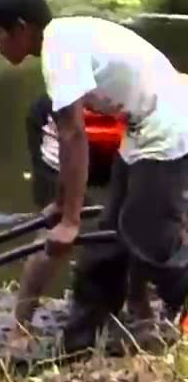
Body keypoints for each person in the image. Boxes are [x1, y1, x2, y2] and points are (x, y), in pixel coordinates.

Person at [0, 0, 188, 352]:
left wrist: (70, 221)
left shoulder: (58, 53)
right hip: (142, 124)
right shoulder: (62, 40)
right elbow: (69, 142)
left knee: (148, 234)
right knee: (111, 237)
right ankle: (81, 342)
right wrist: (63, 204)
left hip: (167, 121)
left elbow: (74, 136)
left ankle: (176, 307)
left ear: (22, 28)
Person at [10, 91, 130, 343]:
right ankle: (20, 327)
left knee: (140, 217)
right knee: (57, 229)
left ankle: (140, 309)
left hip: (125, 138)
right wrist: (68, 214)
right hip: (67, 126)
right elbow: (71, 135)